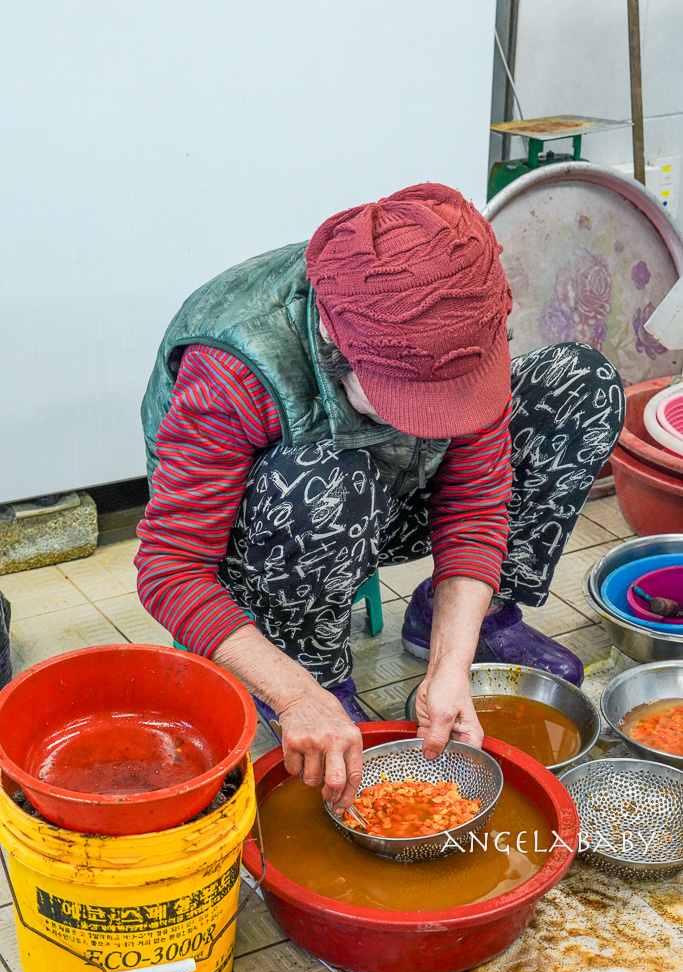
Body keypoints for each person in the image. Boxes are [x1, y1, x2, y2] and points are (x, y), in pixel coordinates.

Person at [136, 183, 624, 813]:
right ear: (335, 345)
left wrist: (452, 664)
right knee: (322, 477)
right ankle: (312, 668)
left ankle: (462, 618)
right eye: (412, 406)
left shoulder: (457, 314)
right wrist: (293, 694)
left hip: (390, 495)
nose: (438, 424)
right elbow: (172, 570)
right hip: (275, 525)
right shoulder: (236, 365)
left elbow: (475, 501)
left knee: (578, 382)